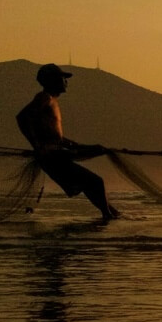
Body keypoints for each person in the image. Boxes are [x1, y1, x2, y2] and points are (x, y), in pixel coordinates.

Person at [16, 63, 119, 221]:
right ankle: (108, 217)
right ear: (52, 80)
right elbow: (23, 117)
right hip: (50, 156)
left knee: (89, 183)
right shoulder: (44, 97)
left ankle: (110, 214)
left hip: (55, 154)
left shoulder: (52, 101)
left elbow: (58, 138)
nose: (66, 81)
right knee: (95, 182)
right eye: (63, 78)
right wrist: (37, 145)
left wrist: (84, 147)